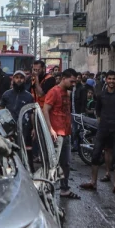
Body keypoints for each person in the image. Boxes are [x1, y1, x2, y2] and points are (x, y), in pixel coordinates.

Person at [81, 71, 115, 195]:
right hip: (103, 129)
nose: (112, 81)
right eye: (110, 79)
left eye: (114, 79)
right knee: (96, 154)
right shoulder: (101, 95)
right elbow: (97, 111)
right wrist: (100, 121)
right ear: (106, 80)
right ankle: (93, 182)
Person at [42, 69, 79, 199]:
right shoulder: (54, 92)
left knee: (66, 163)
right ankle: (47, 190)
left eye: (75, 81)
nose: (74, 84)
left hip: (66, 133)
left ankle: (64, 189)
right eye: (72, 81)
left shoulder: (67, 93)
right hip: (56, 134)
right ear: (64, 78)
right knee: (53, 164)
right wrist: (50, 129)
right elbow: (45, 110)